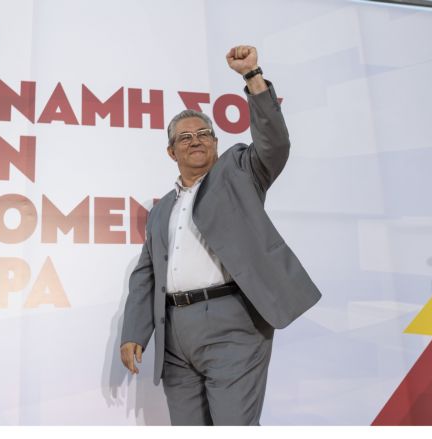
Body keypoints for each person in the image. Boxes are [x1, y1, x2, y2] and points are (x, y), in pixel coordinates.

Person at [120, 45, 322, 425]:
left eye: (204, 134)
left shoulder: (239, 172)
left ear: (215, 142)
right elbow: (146, 275)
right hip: (174, 334)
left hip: (233, 322)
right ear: (171, 152)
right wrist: (134, 332)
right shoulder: (161, 210)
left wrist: (252, 77)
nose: (196, 140)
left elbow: (274, 144)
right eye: (185, 138)